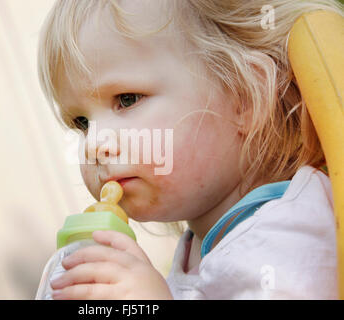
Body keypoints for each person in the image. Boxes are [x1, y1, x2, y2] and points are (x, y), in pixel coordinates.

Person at [37, 0, 343, 299]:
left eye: (127, 99)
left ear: (243, 98)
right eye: (81, 122)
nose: (93, 145)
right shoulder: (206, 241)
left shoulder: (288, 232)